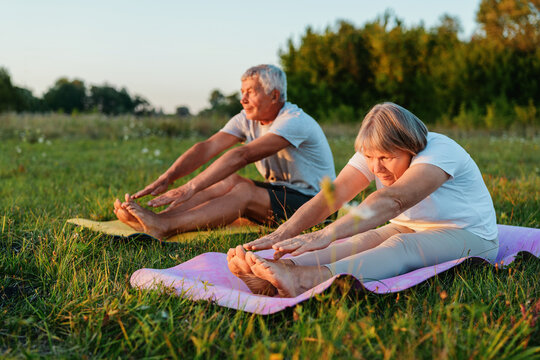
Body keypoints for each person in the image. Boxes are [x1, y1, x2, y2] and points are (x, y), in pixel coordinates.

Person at [227, 102, 499, 297]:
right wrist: (281, 234)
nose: (376, 167)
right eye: (370, 158)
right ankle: (281, 272)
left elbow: (392, 200)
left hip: (470, 235)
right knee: (363, 240)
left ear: (411, 147)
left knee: (401, 245)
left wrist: (327, 233)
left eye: (386, 158)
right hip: (412, 225)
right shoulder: (376, 150)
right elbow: (331, 197)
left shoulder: (440, 151)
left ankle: (307, 281)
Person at [114, 64, 335, 239]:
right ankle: (157, 220)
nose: (243, 99)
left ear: (275, 96)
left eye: (250, 92)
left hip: (318, 206)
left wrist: (190, 187)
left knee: (244, 192)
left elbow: (243, 155)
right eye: (242, 92)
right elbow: (207, 147)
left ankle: (166, 226)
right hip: (285, 194)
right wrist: (168, 177)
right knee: (229, 181)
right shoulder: (248, 119)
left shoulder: (294, 121)